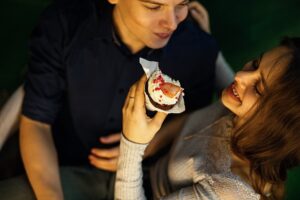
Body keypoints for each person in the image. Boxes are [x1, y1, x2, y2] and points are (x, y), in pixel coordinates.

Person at [0, 0, 233, 199]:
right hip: (62, 167)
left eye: (181, 4)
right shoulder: (64, 23)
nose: (172, 23)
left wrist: (150, 144)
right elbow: (37, 121)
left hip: (148, 179)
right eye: (153, 6)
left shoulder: (199, 48)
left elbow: (195, 119)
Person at [116, 37, 300, 200]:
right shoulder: (239, 105)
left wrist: (132, 146)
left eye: (259, 88)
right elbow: (194, 123)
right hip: (138, 167)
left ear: (278, 124)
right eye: (255, 63)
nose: (239, 76)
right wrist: (206, 41)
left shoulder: (229, 193)